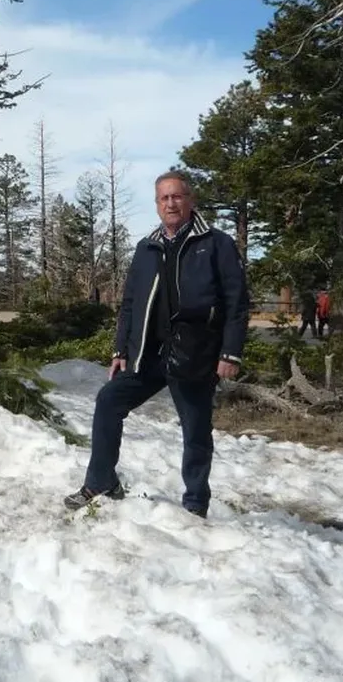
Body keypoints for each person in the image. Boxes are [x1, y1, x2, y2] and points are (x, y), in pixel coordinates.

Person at [63, 171, 250, 518]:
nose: (170, 203)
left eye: (177, 196)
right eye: (164, 198)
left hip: (196, 353)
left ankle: (195, 503)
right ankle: (101, 480)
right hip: (149, 353)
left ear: (190, 200)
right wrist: (121, 349)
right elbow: (131, 303)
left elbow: (237, 302)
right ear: (157, 205)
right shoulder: (147, 247)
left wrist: (230, 352)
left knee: (195, 429)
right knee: (108, 401)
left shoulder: (216, 243)